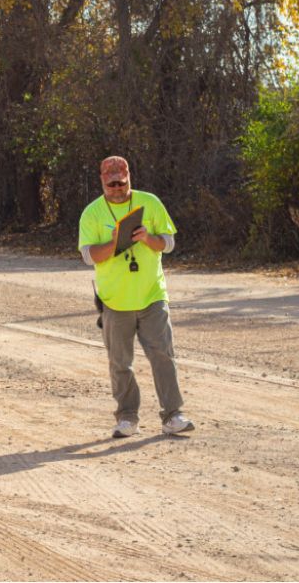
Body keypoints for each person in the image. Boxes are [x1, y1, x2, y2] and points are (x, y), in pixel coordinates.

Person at [78, 156, 194, 438]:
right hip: (115, 301)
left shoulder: (150, 202)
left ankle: (172, 415)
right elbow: (88, 256)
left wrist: (146, 238)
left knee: (163, 356)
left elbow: (168, 243)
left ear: (129, 177)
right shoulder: (92, 213)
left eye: (122, 182)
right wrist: (116, 242)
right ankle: (127, 417)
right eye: (112, 183)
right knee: (120, 363)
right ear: (102, 181)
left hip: (152, 295)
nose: (117, 188)